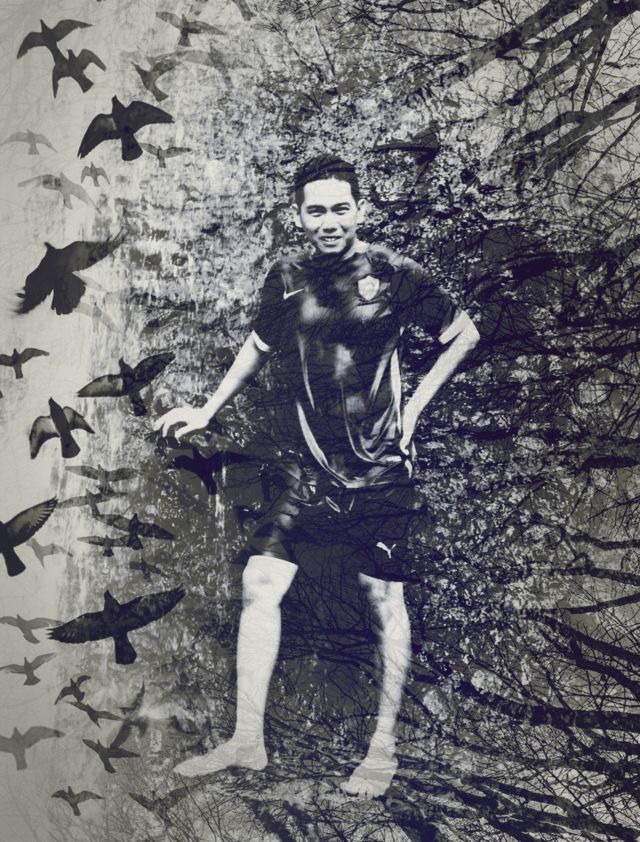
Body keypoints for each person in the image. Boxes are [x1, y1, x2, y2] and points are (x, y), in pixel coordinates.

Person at [154, 154, 480, 797]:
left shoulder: (394, 274)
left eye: (340, 208)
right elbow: (258, 345)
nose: (329, 221)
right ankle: (247, 742)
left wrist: (414, 410)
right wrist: (207, 410)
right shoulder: (286, 275)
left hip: (380, 470)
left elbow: (463, 333)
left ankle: (382, 750)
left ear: (359, 210)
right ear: (299, 216)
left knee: (385, 601)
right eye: (316, 210)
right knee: (260, 582)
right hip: (307, 468)